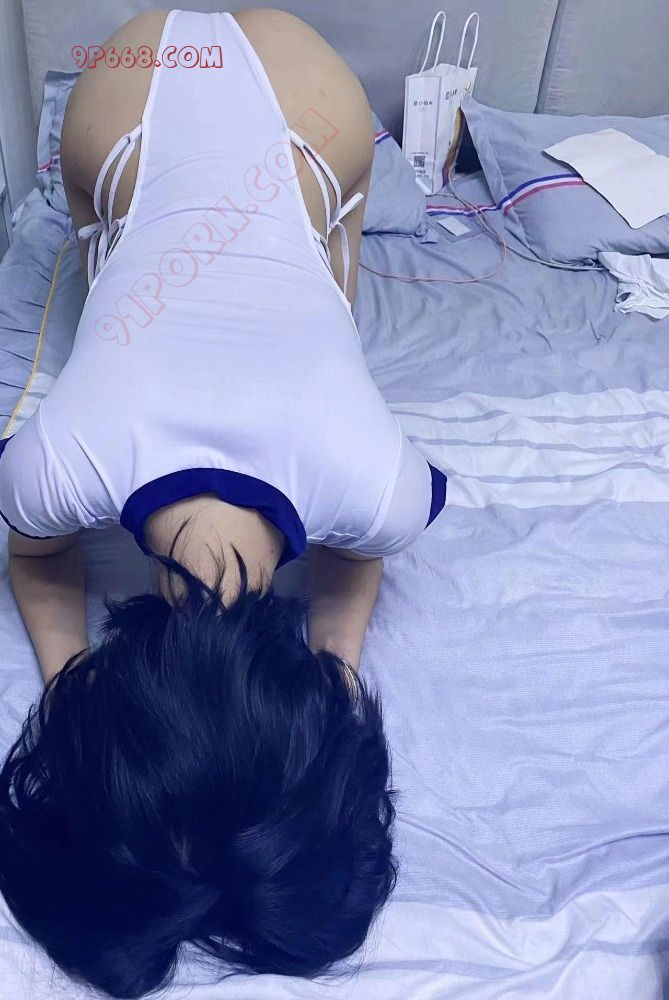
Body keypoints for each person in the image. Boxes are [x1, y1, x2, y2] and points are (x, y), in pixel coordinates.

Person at [0, 8, 447, 999]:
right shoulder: (59, 467)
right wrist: (74, 689)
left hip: (274, 100)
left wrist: (333, 674)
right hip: (136, 93)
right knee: (160, 259)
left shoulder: (375, 486)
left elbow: (357, 556)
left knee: (310, 278)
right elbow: (37, 561)